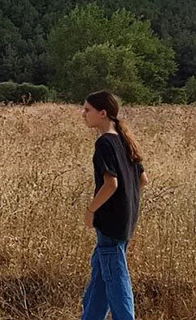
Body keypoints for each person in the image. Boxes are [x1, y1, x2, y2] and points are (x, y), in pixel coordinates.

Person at [80, 91, 149, 320]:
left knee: (117, 280)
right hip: (125, 222)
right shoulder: (124, 140)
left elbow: (111, 184)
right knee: (102, 276)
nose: (83, 114)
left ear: (103, 113)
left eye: (87, 110)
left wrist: (91, 210)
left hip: (110, 224)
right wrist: (127, 204)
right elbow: (143, 180)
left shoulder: (104, 144)